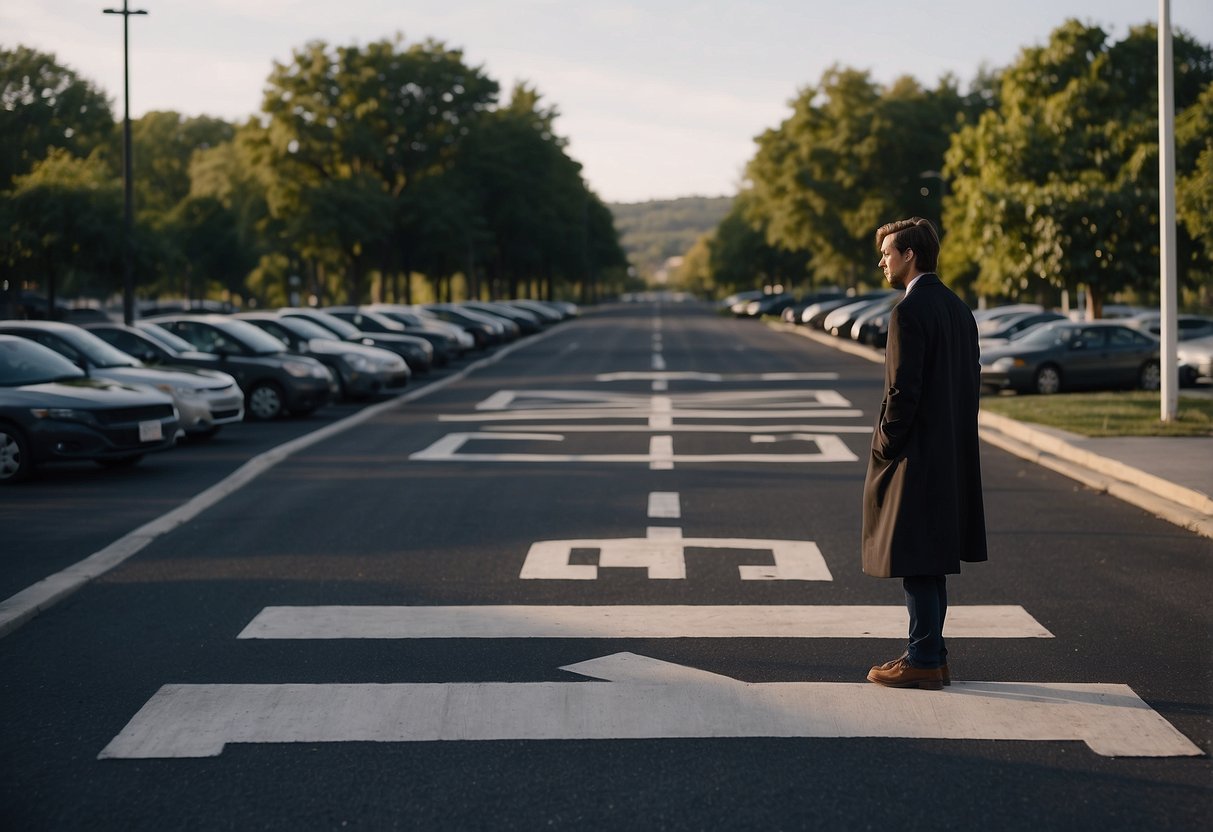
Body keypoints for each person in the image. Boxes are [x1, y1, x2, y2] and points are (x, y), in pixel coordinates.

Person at [861, 217, 987, 690]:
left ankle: (923, 658)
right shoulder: (959, 309)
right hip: (951, 452)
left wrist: (884, 443)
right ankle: (931, 653)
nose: (883, 262)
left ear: (909, 255)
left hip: (916, 454)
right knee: (931, 561)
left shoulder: (908, 312)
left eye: (888, 253)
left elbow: (902, 391)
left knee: (916, 559)